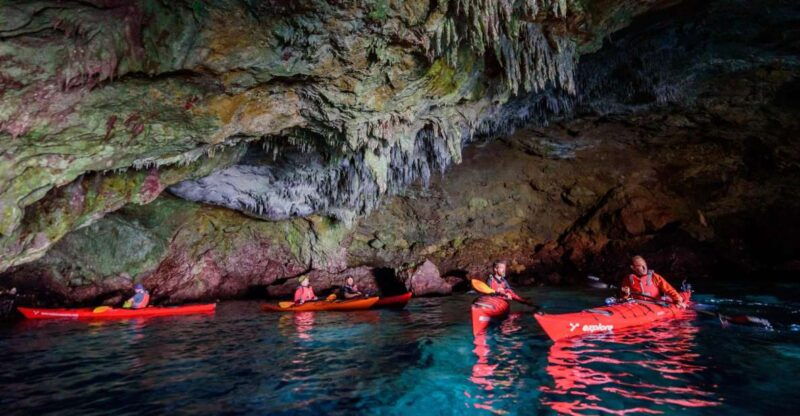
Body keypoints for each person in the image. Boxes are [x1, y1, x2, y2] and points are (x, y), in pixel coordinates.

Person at [620, 255, 686, 308]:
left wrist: (678, 300)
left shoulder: (654, 277)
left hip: (655, 305)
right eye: (639, 266)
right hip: (637, 306)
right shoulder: (628, 279)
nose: (644, 268)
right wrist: (625, 294)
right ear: (633, 268)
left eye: (644, 264)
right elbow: (624, 297)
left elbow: (669, 289)